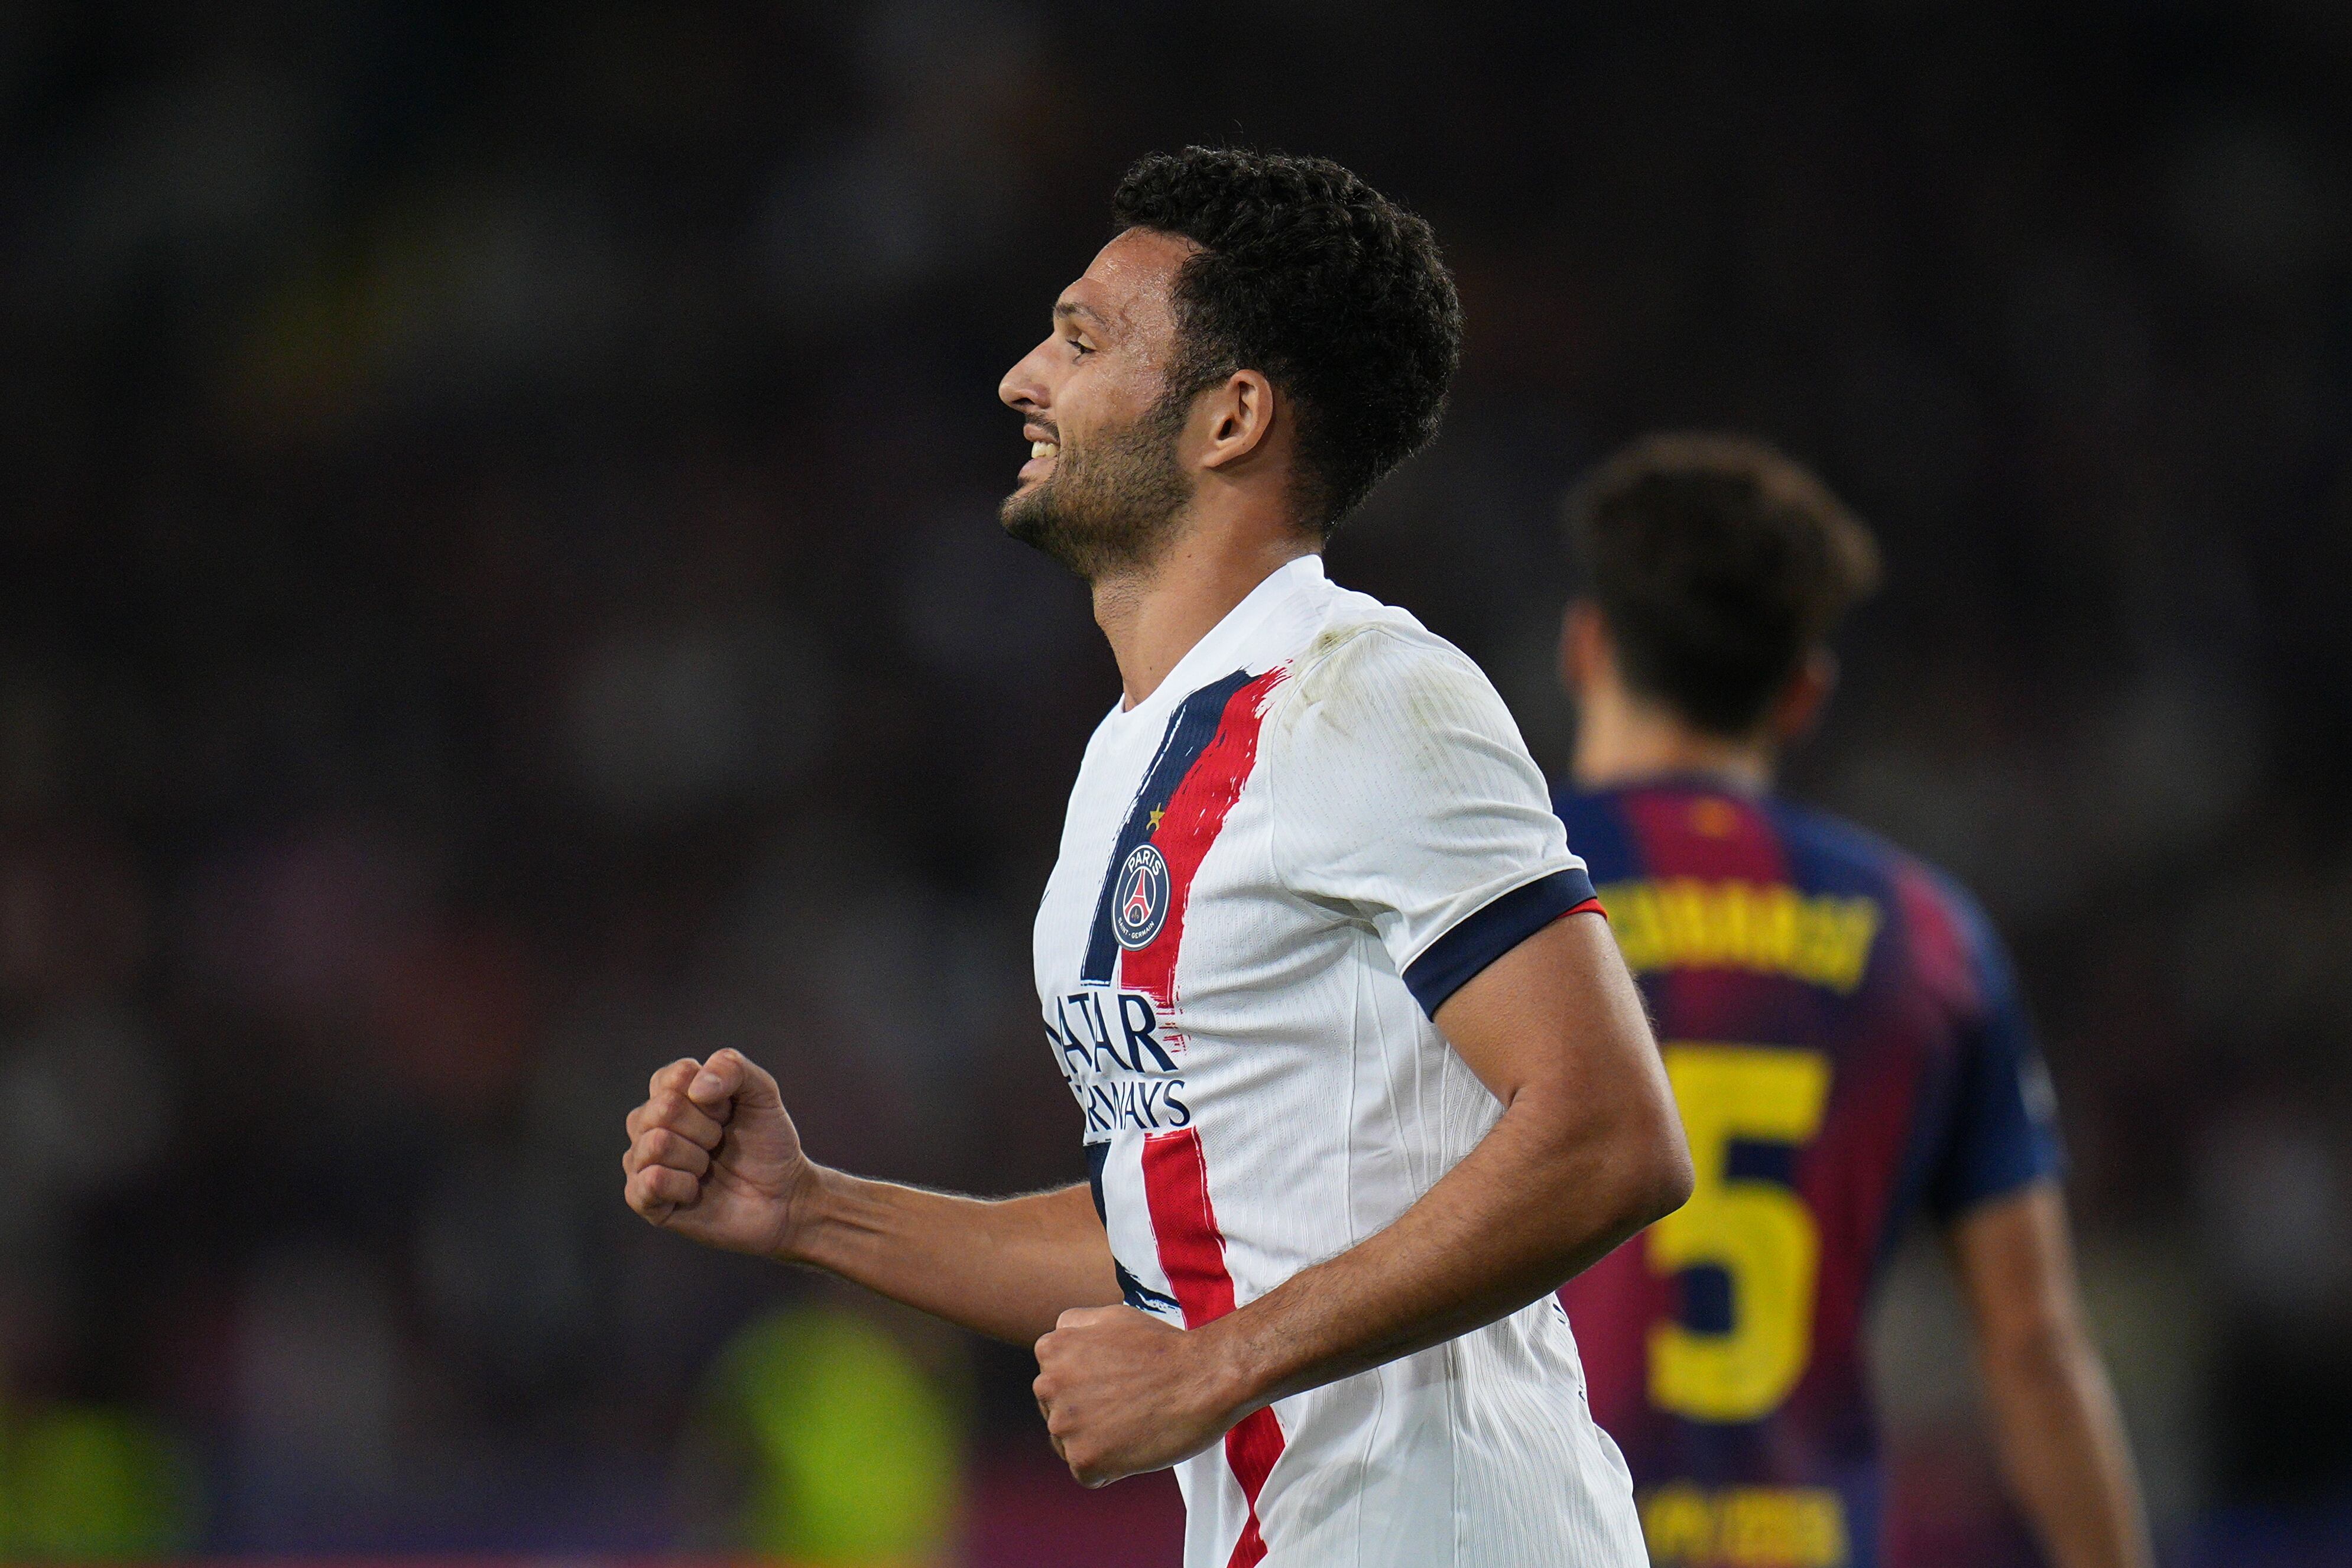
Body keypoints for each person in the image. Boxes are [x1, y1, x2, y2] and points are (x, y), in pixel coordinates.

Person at [622, 146, 1693, 1567]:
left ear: (1232, 416)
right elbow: (1180, 1222)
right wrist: (815, 1211)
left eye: (1079, 339)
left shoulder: (1363, 692)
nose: (1022, 376)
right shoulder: (1135, 756)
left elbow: (1613, 1133)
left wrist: (1219, 1363)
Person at [1550, 434, 2153, 1568]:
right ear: (1805, 692)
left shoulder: (1486, 891)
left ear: (1586, 647)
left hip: (1529, 1537)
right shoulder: (1931, 938)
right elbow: (2033, 1343)